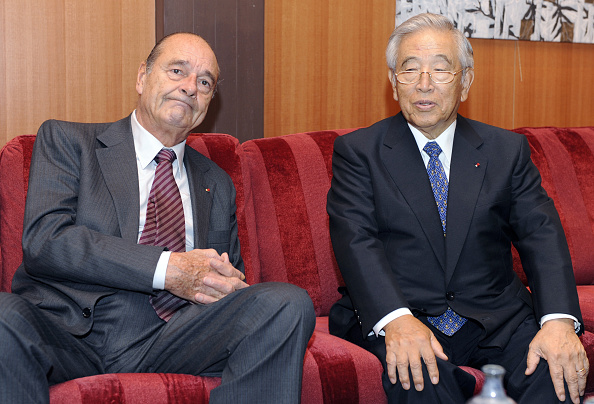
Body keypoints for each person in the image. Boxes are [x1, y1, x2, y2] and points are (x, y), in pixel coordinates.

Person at [0, 32, 315, 403]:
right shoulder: (68, 141)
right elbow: (46, 242)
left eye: (204, 82)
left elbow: (227, 280)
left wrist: (227, 283)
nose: (189, 88)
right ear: (142, 78)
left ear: (209, 102)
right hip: (68, 332)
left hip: (173, 337)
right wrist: (170, 269)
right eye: (177, 70)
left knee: (286, 303)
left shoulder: (217, 182)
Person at [327, 12, 588, 404]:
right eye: (409, 70)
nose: (424, 84)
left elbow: (540, 233)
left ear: (465, 81)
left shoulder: (505, 151)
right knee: (417, 378)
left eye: (440, 69)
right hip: (406, 314)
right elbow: (355, 241)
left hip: (497, 318)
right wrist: (396, 321)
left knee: (555, 374)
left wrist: (558, 322)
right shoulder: (359, 153)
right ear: (393, 84)